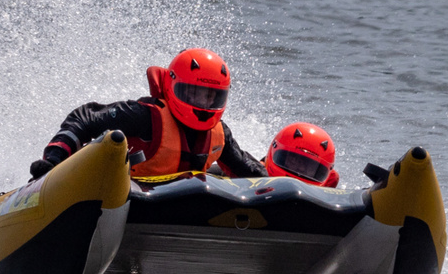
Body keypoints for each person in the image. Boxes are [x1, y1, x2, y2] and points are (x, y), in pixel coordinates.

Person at [29, 48, 267, 181]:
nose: (202, 103)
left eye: (211, 96)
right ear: (173, 87)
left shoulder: (219, 135)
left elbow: (245, 168)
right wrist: (54, 160)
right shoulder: (144, 117)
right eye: (193, 93)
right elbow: (84, 118)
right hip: (112, 190)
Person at [264, 122, 339, 187]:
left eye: (308, 165)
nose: (300, 168)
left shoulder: (328, 189)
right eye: (294, 160)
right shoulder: (256, 174)